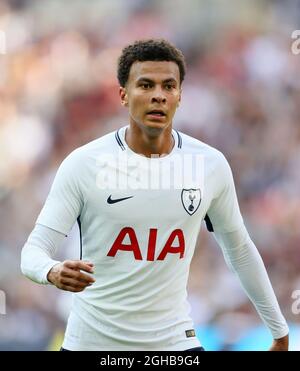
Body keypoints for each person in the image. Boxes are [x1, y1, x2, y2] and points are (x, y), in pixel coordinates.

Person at [21, 39, 289, 351]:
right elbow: (33, 251)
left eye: (168, 86)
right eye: (146, 85)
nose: (158, 96)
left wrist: (279, 330)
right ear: (123, 95)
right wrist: (50, 270)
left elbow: (239, 250)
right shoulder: (85, 163)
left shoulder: (208, 164)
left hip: (173, 346)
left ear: (179, 96)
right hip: (92, 345)